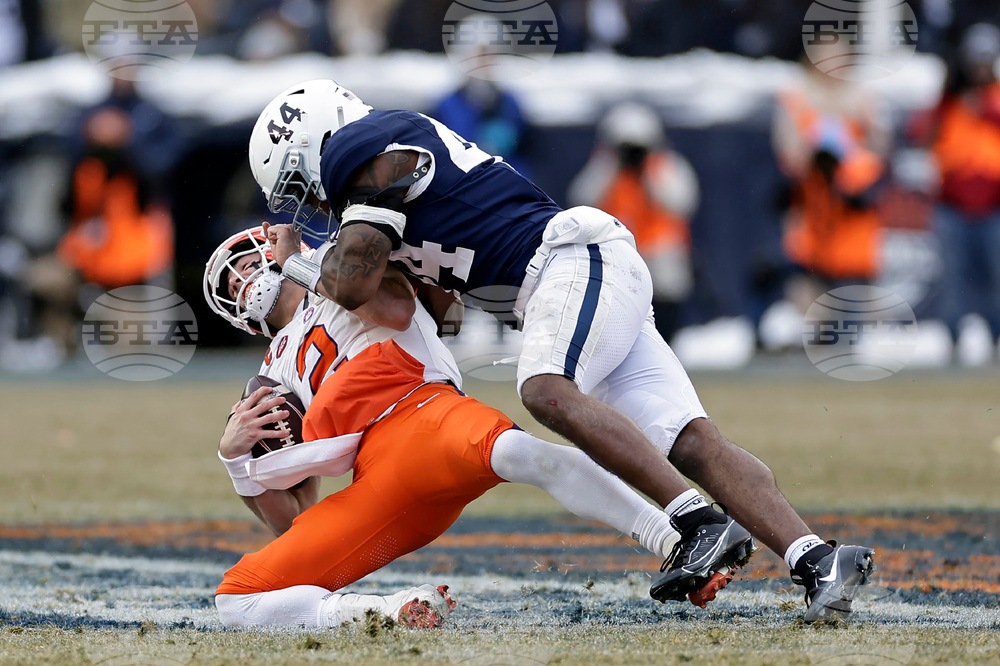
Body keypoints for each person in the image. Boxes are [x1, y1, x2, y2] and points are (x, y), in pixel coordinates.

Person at [246, 80, 876, 621]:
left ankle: (698, 524)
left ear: (314, 145)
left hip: (569, 261)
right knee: (688, 441)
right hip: (579, 274)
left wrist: (296, 263)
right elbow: (443, 309)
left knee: (545, 390)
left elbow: (351, 279)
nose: (313, 204)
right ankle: (818, 560)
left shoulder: (361, 145)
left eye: (301, 187)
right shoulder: (386, 172)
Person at [205, 224, 698, 627]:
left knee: (518, 454)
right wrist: (234, 460)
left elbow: (398, 310)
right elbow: (293, 518)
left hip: (427, 413)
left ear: (277, 251)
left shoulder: (337, 265)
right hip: (379, 480)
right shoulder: (270, 374)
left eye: (246, 267)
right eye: (232, 287)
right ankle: (388, 612)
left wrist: (300, 263)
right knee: (237, 600)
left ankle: (673, 537)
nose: (244, 284)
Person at [567, 101, 698, 341]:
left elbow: (682, 202)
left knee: (667, 295)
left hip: (660, 248)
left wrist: (649, 171)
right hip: (619, 247)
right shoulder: (606, 167)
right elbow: (581, 198)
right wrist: (610, 165)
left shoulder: (664, 166)